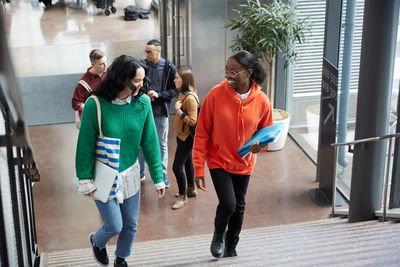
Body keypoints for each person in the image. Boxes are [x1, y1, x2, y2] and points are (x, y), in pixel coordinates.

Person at [75, 55, 166, 267]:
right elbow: (85, 145)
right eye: (136, 81)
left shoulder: (142, 103)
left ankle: (121, 258)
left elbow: (150, 142)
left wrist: (158, 177)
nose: (141, 85)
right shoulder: (94, 104)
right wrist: (84, 178)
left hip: (131, 173)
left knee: (130, 224)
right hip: (103, 176)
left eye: (143, 80)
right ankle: (97, 241)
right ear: (121, 79)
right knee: (115, 225)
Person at [192, 50, 273, 258]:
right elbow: (201, 133)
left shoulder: (262, 101)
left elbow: (267, 132)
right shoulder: (215, 95)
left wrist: (259, 146)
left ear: (248, 73)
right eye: (227, 70)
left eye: (234, 71)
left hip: (244, 162)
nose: (228, 75)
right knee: (228, 203)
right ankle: (218, 235)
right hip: (218, 159)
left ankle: (231, 246)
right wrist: (199, 167)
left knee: (239, 207)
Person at [138, 39, 179, 187]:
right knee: (141, 143)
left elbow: (176, 89)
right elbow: (135, 84)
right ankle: (140, 173)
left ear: (158, 51)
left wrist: (159, 95)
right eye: (146, 51)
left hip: (161, 112)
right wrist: (144, 94)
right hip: (143, 112)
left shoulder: (168, 67)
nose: (147, 54)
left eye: (150, 51)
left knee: (162, 144)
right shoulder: (141, 65)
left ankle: (162, 176)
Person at [171, 67, 199, 210]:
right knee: (188, 163)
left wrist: (178, 111)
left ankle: (183, 196)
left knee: (176, 167)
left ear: (185, 80)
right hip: (181, 135)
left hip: (186, 138)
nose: (174, 80)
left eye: (177, 78)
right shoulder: (183, 93)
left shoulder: (190, 98)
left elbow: (193, 121)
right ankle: (191, 189)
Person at [71, 49, 107, 125]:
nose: (106, 65)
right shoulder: (83, 83)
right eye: (102, 64)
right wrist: (94, 108)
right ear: (93, 64)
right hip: (95, 118)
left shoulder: (108, 72)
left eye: (106, 61)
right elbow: (75, 103)